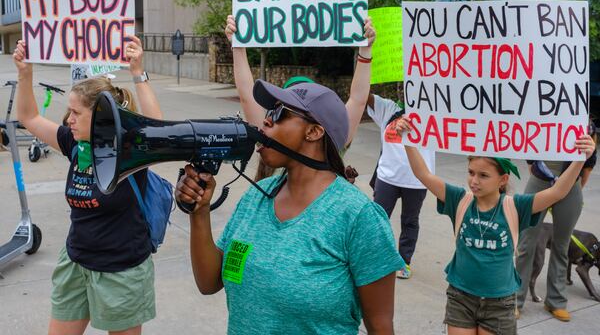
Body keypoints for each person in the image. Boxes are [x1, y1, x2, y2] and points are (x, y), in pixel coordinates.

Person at [175, 79, 405, 334]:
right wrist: (200, 212)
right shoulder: (256, 198)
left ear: (314, 132)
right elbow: (209, 282)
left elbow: (381, 326)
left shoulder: (358, 216)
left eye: (278, 113)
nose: (266, 120)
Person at [13, 37, 162, 335]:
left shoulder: (130, 150)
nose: (68, 119)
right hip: (76, 263)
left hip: (121, 271)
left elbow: (158, 130)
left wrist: (138, 73)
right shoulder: (74, 143)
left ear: (103, 117)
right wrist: (25, 72)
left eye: (77, 113)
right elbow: (28, 117)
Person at [394, 116, 596, 335]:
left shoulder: (516, 206)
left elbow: (557, 192)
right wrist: (408, 140)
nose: (474, 181)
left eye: (483, 175)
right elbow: (423, 174)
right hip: (461, 298)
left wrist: (580, 159)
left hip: (500, 304)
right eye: (471, 172)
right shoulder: (459, 199)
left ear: (502, 180)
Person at [224, 14, 375, 182]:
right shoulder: (272, 137)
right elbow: (247, 94)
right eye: (277, 110)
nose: (268, 122)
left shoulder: (331, 144)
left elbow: (358, 99)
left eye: (285, 111)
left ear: (316, 130)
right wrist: (237, 46)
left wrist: (365, 50)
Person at [515, 122, 598, 322]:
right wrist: (541, 177)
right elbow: (530, 150)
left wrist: (572, 186)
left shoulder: (587, 125)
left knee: (562, 246)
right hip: (540, 179)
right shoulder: (542, 113)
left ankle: (556, 301)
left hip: (571, 183)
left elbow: (588, 165)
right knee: (527, 243)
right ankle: (515, 299)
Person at [367, 87, 435, 279]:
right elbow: (362, 95)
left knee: (409, 221)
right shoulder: (389, 109)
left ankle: (404, 261)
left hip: (417, 181)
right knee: (377, 220)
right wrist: (365, 62)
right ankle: (373, 259)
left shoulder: (434, 114)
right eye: (406, 87)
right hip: (387, 178)